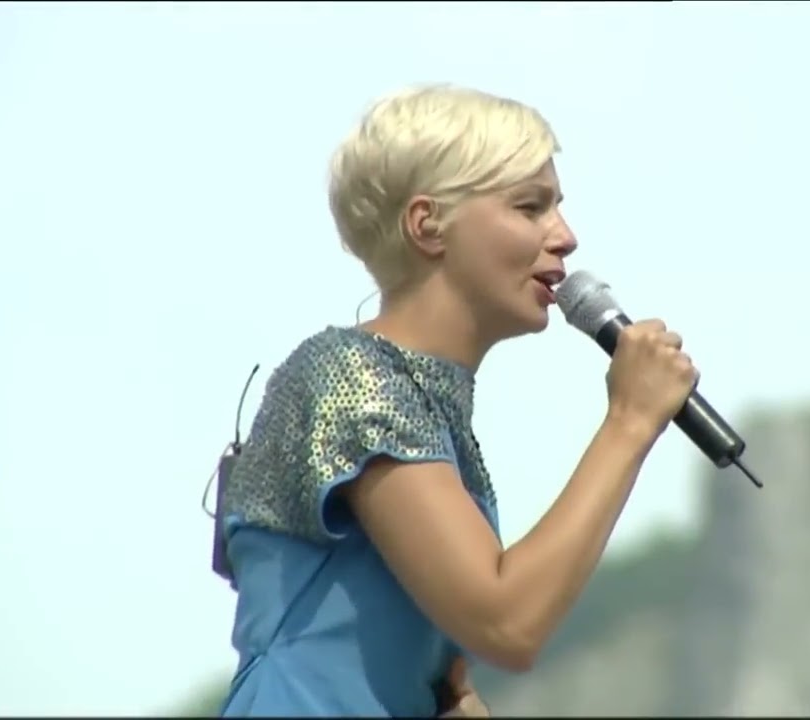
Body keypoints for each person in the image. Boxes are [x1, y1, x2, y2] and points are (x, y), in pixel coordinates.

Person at [215, 84, 697, 717]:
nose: (566, 236)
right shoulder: (348, 374)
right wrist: (630, 422)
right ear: (427, 225)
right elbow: (507, 622)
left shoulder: (434, 415)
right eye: (531, 207)